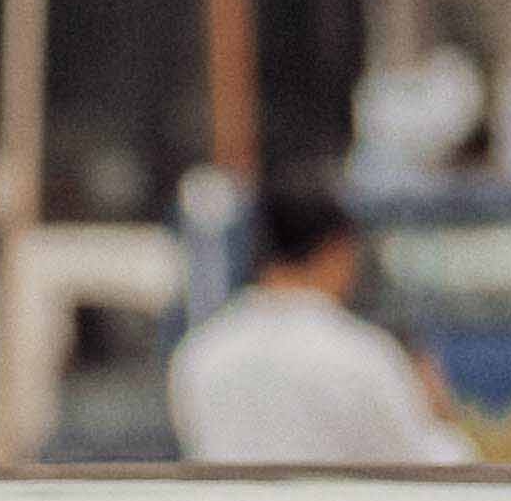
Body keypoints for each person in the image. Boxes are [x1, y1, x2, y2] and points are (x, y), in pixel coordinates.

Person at [165, 171, 481, 469]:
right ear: (338, 250)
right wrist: (440, 416)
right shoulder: (361, 355)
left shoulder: (199, 354)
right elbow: (432, 474)